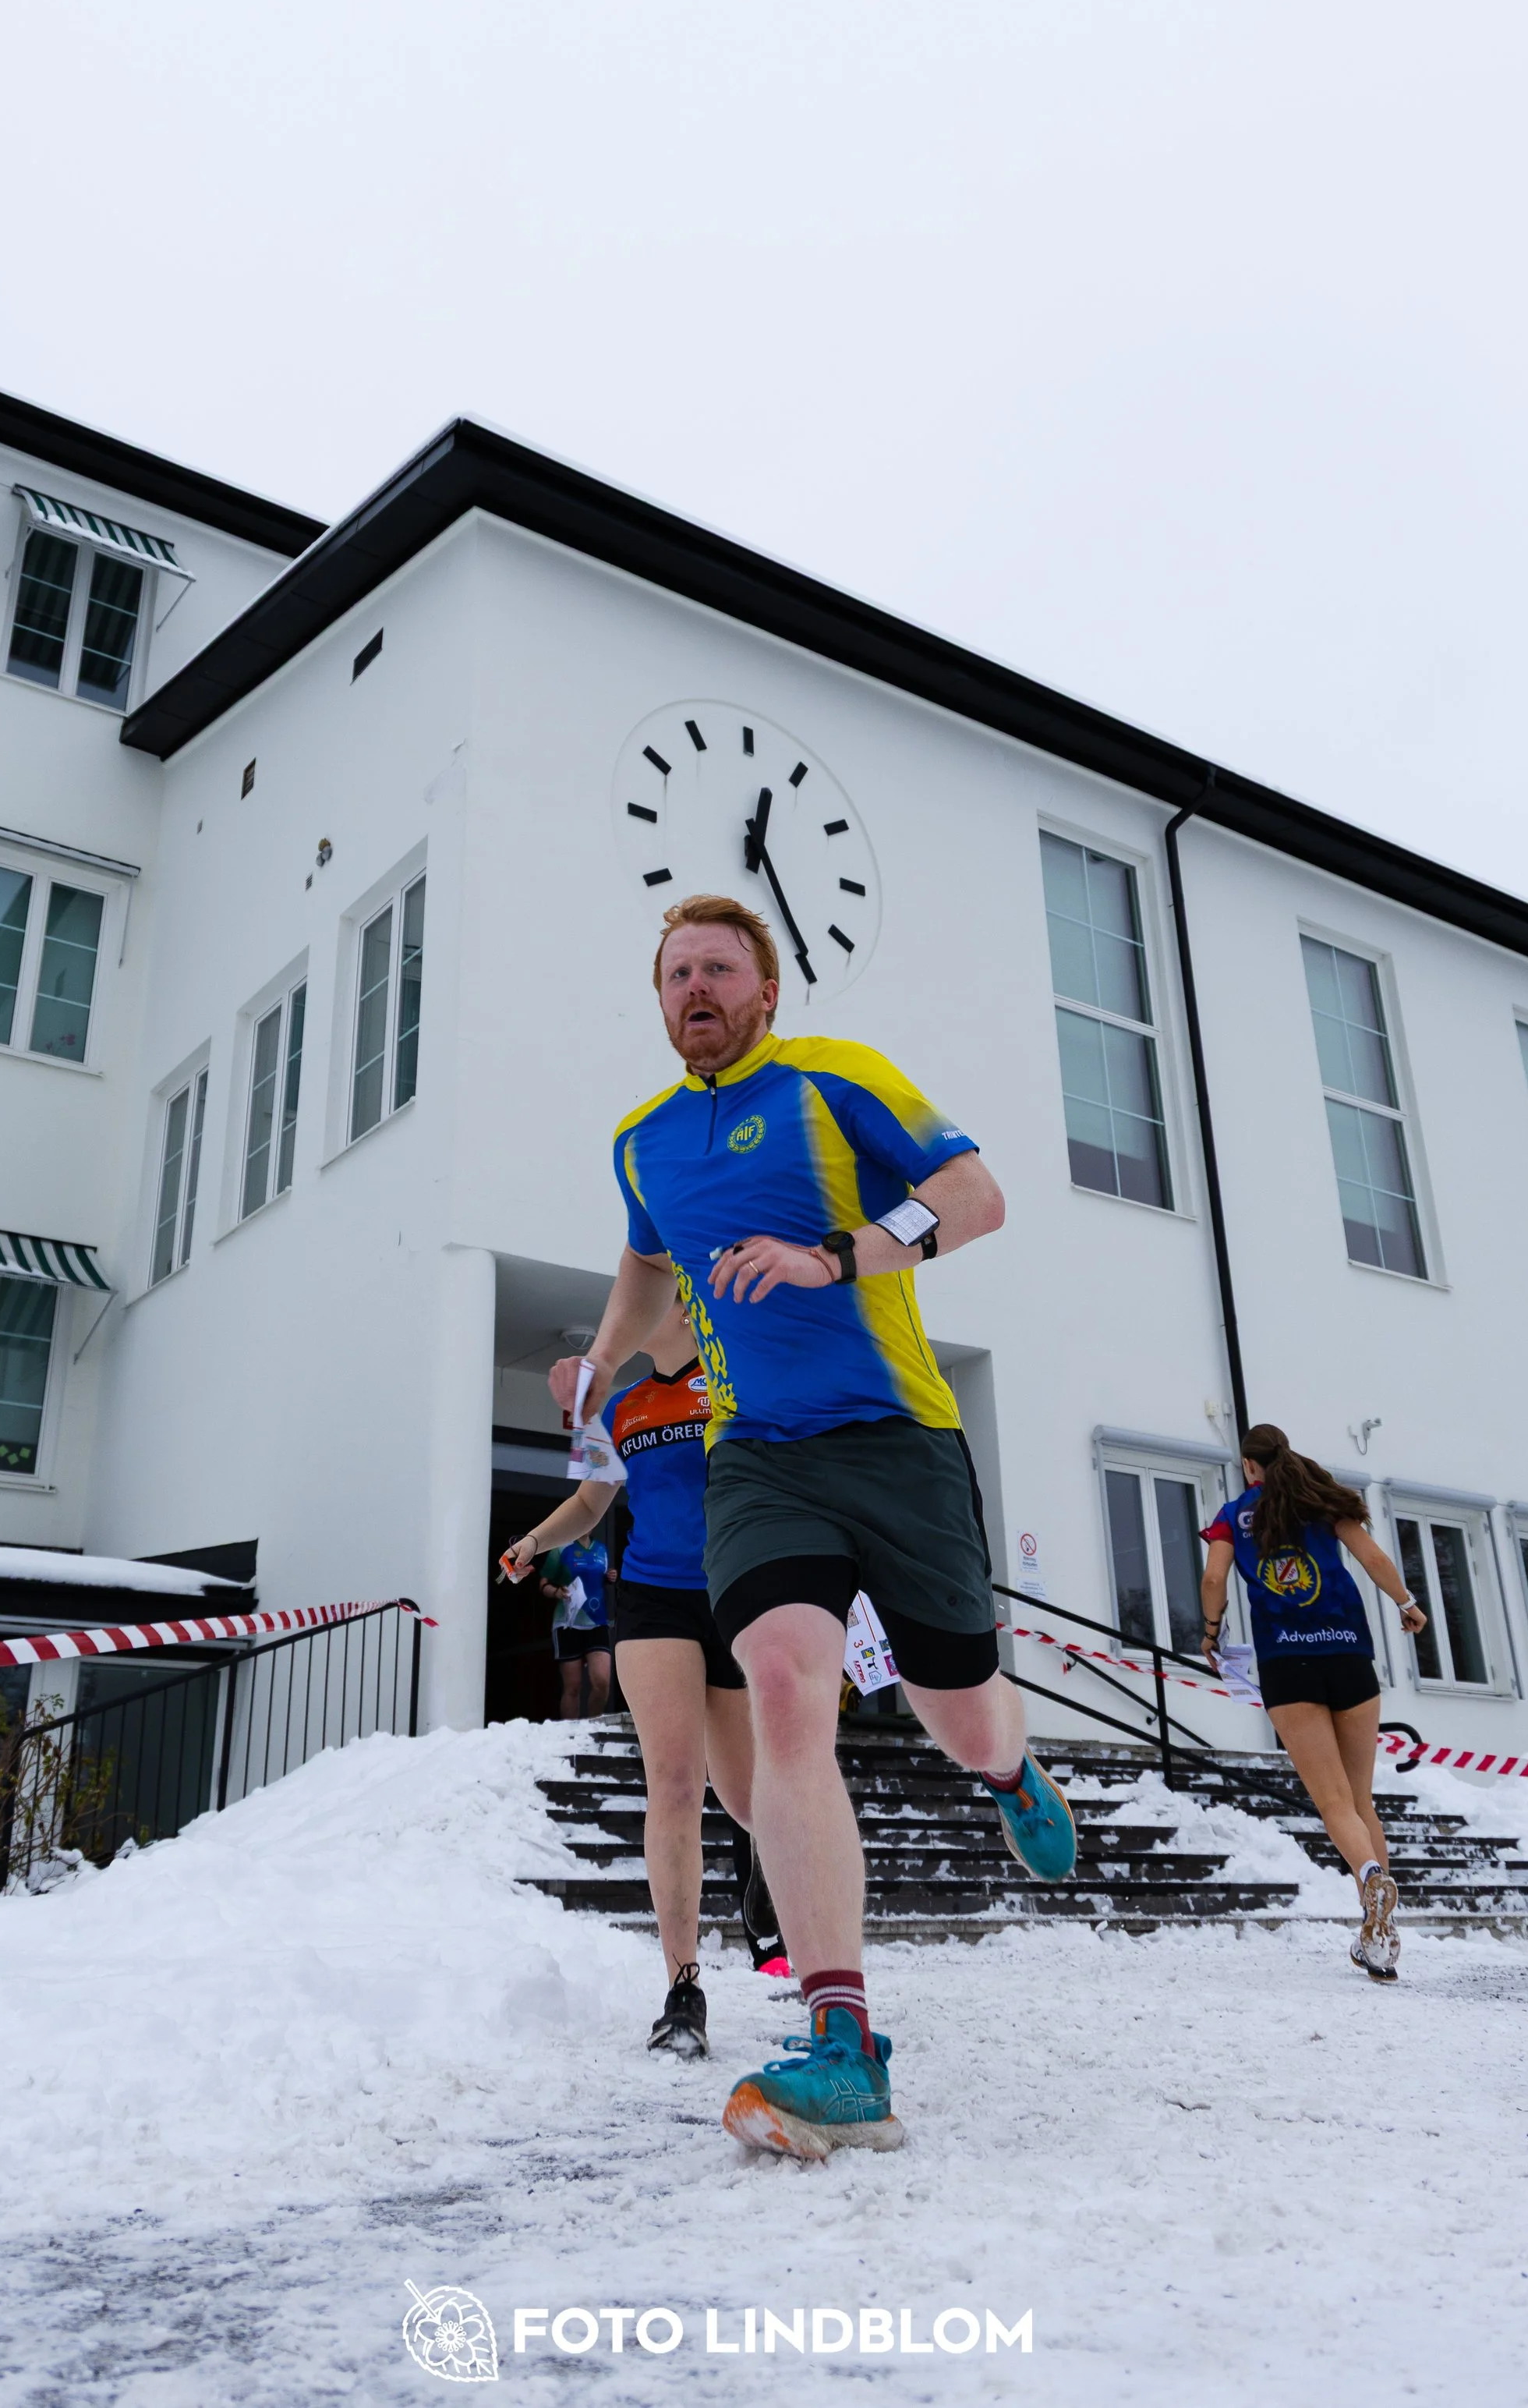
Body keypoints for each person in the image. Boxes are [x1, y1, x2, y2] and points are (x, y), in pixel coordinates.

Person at [550, 892, 1077, 2160]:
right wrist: (608, 1362)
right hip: (759, 1463)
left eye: (718, 969)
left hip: (896, 1440)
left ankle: (1008, 1768)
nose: (696, 990)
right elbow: (645, 1260)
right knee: (786, 1684)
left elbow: (976, 1195)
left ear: (767, 991)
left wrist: (834, 1256)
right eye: (676, 974)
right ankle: (845, 2046)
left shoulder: (836, 1081)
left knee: (959, 1714)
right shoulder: (642, 1142)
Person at [502, 1300, 756, 2056]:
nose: (630, 1315)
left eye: (648, 1300)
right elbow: (590, 1502)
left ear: (684, 1302)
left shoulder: (734, 1383)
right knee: (674, 1783)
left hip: (736, 1595)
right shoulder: (622, 1407)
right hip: (651, 1599)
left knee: (746, 1797)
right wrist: (533, 1541)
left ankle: (775, 1892)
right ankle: (683, 1986)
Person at [1200, 1422, 1430, 1981]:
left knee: (1333, 1804)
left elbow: (1214, 1576)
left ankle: (1372, 1877)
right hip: (1349, 1657)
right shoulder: (1324, 1502)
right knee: (1361, 1800)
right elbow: (1372, 1558)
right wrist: (1407, 1602)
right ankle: (1377, 1936)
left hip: (1287, 1664)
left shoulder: (1234, 1514)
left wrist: (1211, 1631)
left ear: (1250, 1466)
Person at [541, 1535, 611, 1719]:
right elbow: (543, 1585)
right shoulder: (560, 1548)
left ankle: (592, 1728)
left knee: (602, 1682)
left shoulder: (601, 1550)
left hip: (597, 1621)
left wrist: (610, 1577)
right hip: (568, 1622)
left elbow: (596, 1580)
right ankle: (571, 1738)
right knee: (573, 1686)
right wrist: (557, 1592)